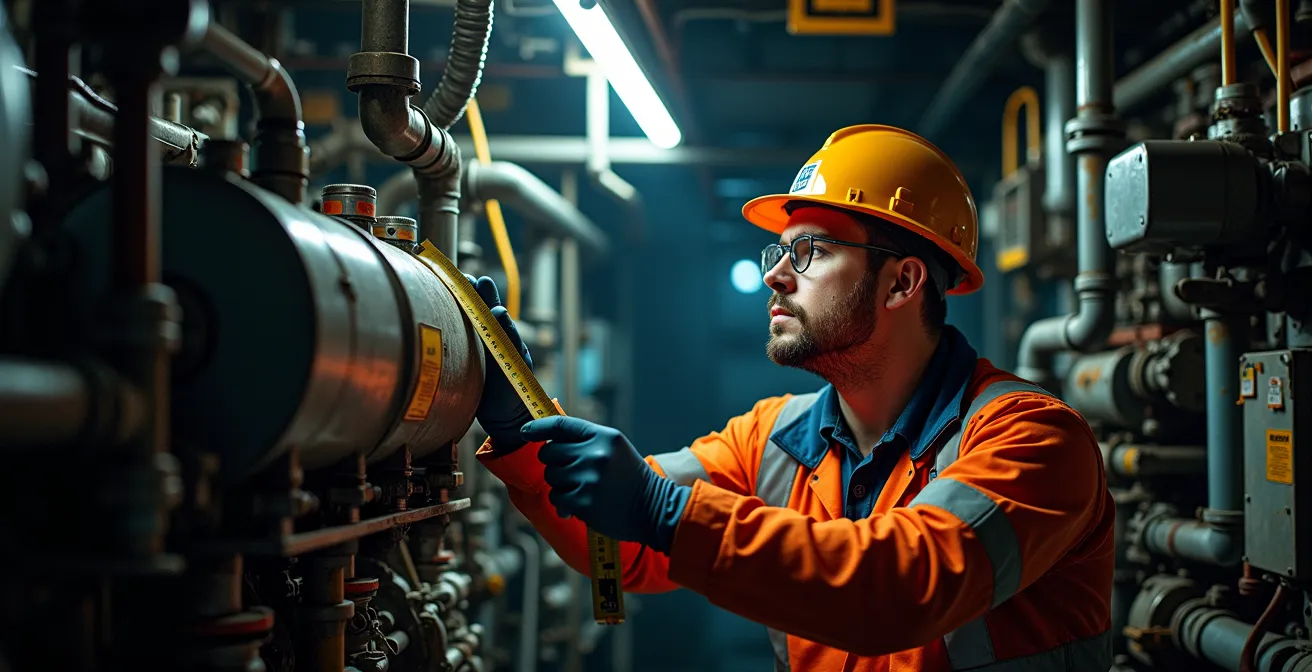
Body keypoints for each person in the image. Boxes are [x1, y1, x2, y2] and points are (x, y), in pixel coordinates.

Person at [469, 125, 1114, 671]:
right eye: (780, 249)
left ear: (902, 282)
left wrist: (661, 507)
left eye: (811, 250)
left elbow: (897, 590)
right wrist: (520, 430)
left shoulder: (1032, 440)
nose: (776, 274)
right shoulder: (772, 437)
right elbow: (620, 543)